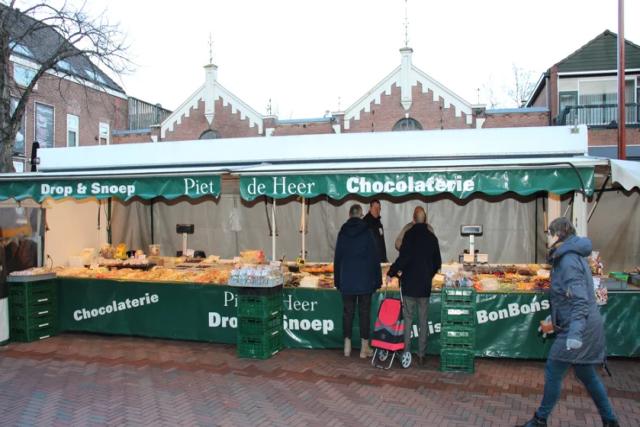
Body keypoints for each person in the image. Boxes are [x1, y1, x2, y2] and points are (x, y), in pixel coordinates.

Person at [516, 217, 619, 427]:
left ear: (558, 235)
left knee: (554, 370)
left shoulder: (568, 260)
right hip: (582, 325)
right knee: (586, 374)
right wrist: (553, 322)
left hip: (579, 329)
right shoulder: (569, 256)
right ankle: (610, 420)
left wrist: (574, 334)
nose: (547, 238)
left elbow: (580, 301)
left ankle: (540, 420)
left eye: (549, 233)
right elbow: (566, 298)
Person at [386, 207, 441, 366]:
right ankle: (422, 355)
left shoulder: (408, 235)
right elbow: (437, 263)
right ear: (425, 219)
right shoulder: (432, 238)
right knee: (423, 320)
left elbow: (403, 259)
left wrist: (392, 272)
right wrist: (428, 275)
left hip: (409, 285)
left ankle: (407, 352)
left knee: (408, 320)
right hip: (424, 286)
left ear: (413, 219)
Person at [334, 203, 382, 358]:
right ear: (361, 215)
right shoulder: (367, 231)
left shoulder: (342, 232)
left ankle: (346, 346)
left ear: (349, 215)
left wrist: (337, 280)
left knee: (347, 313)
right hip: (364, 280)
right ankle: (364, 348)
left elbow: (337, 258)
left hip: (347, 280)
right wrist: (377, 280)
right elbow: (375, 257)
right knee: (364, 313)